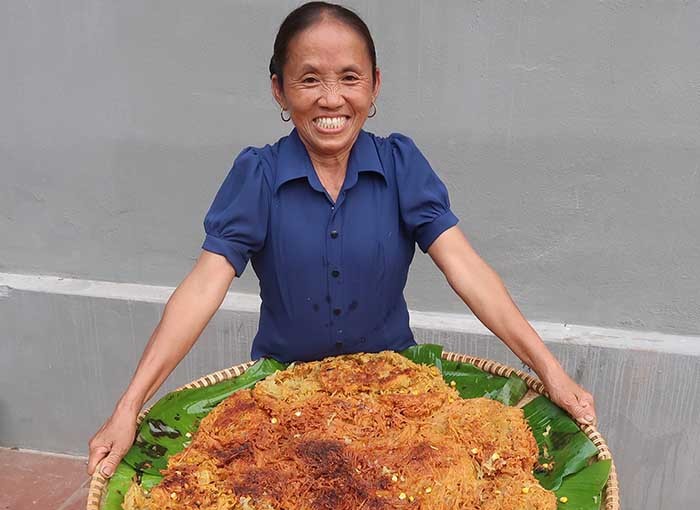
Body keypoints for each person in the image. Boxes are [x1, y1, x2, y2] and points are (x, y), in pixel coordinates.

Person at [87, 1, 596, 478]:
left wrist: (548, 369)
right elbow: (202, 288)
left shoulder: (401, 166)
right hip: (284, 404)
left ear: (374, 86)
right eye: (309, 79)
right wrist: (129, 406)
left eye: (350, 78)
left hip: (397, 399)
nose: (332, 99)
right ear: (279, 90)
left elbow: (466, 267)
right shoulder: (257, 176)